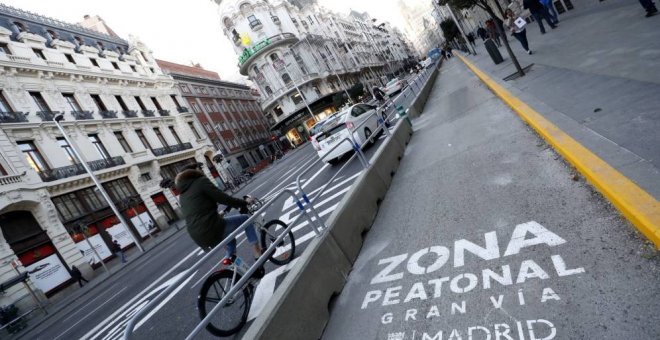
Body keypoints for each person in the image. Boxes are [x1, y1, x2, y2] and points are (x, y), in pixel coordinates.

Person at [175, 168, 265, 278]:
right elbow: (223, 198)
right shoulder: (201, 182)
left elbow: (198, 212)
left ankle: (233, 273)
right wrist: (244, 203)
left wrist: (219, 214)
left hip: (198, 236)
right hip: (212, 227)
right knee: (245, 219)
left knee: (230, 240)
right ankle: (257, 254)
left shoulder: (182, 194)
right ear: (195, 173)